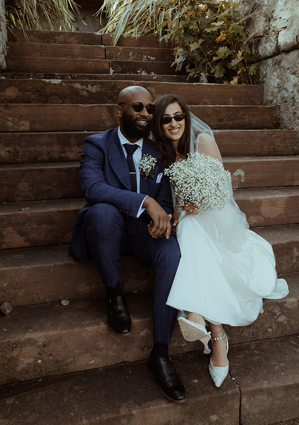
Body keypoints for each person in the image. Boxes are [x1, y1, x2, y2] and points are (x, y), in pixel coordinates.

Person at [150, 94, 289, 388]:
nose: (174, 123)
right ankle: (216, 336)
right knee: (188, 232)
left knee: (190, 232)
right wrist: (176, 212)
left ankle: (198, 317)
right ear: (159, 124)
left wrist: (200, 203)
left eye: (178, 117)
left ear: (186, 118)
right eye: (166, 119)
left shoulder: (202, 142)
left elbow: (222, 189)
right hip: (185, 218)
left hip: (216, 214)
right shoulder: (157, 154)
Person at [68, 86, 186, 403]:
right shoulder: (96, 144)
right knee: (102, 212)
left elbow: (164, 197)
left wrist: (164, 217)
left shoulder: (155, 147)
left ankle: (160, 352)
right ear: (118, 110)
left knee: (172, 254)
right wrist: (145, 201)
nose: (145, 113)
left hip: (143, 232)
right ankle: (114, 294)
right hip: (107, 231)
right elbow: (93, 188)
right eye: (137, 106)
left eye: (150, 108)